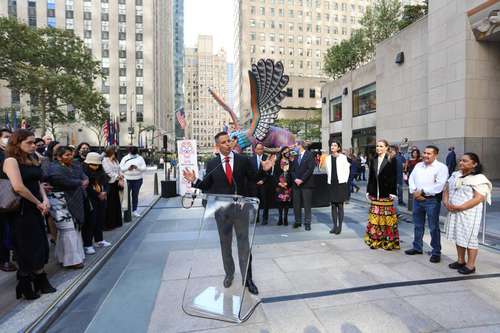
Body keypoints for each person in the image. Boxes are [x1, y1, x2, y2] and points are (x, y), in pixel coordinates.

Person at [183, 131, 275, 295]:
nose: (228, 144)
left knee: (244, 245)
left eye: (229, 141)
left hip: (241, 209)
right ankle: (229, 274)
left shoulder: (243, 160)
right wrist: (194, 180)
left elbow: (254, 179)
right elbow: (206, 185)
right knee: (225, 245)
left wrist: (265, 170)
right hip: (222, 212)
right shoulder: (212, 164)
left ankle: (248, 279)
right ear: (218, 145)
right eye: (224, 142)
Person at [3, 129, 56, 299]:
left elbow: (38, 182)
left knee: (40, 244)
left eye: (34, 142)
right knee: (26, 247)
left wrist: (45, 199)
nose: (34, 145)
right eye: (29, 143)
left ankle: (35, 280)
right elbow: (18, 187)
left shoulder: (32, 158)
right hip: (21, 210)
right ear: (17, 143)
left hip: (36, 207)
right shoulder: (10, 161)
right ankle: (28, 282)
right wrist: (38, 202)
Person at [444, 153, 492, 275]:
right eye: (460, 160)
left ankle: (470, 265)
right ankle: (460, 260)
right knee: (458, 236)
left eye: (465, 161)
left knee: (469, 238)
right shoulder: (456, 175)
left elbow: (479, 198)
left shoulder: (479, 179)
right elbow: (446, 188)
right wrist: (446, 202)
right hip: (454, 211)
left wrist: (461, 207)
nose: (461, 163)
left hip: (469, 213)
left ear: (474, 164)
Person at [405, 145, 449, 263]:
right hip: (417, 200)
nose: (425, 155)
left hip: (432, 201)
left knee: (433, 227)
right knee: (418, 225)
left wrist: (422, 192)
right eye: (424, 152)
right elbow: (411, 178)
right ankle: (417, 247)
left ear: (435, 155)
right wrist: (414, 191)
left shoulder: (441, 167)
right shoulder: (419, 165)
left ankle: (436, 252)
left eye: (429, 153)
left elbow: (439, 185)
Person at [47, 146, 86, 268]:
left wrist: (82, 180)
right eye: (66, 155)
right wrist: (80, 182)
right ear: (58, 157)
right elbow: (64, 181)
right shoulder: (54, 169)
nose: (70, 157)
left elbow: (84, 176)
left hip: (75, 200)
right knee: (67, 230)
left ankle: (63, 256)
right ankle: (72, 261)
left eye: (71, 154)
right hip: (59, 202)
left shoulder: (75, 165)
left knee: (74, 229)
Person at [364, 139, 400, 250]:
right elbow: (371, 176)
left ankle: (388, 242)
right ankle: (375, 240)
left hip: (386, 194)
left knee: (386, 219)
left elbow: (394, 177)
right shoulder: (373, 159)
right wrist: (368, 191)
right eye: (377, 146)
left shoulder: (391, 159)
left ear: (386, 147)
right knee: (375, 220)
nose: (378, 148)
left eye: (381, 146)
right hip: (375, 194)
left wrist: (393, 192)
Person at [83, 152, 112, 253]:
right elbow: (86, 188)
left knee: (100, 219)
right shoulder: (84, 173)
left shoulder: (101, 172)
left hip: (102, 199)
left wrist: (105, 192)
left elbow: (107, 183)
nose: (95, 167)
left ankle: (99, 240)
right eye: (92, 165)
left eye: (97, 165)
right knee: (91, 221)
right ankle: (88, 244)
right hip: (91, 199)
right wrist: (97, 194)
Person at [324, 141, 350, 234]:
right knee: (333, 206)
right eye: (332, 145)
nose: (332, 147)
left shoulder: (343, 158)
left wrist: (344, 181)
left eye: (335, 145)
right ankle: (334, 226)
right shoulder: (327, 158)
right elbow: (327, 170)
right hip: (332, 183)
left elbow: (347, 170)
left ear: (338, 148)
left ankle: (340, 227)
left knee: (340, 205)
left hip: (341, 184)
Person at [0, 128, 16, 272]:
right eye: (5, 137)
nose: (8, 139)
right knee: (4, 229)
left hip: (13, 195)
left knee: (11, 228)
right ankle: (4, 260)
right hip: (3, 195)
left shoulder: (12, 153)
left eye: (10, 137)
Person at [291, 141, 316, 231]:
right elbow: (292, 170)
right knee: (296, 204)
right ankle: (297, 221)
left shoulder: (309, 155)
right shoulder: (295, 156)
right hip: (296, 184)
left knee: (307, 204)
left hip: (306, 184)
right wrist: (295, 179)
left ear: (300, 146)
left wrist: (301, 179)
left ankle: (307, 222)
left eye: (295, 145)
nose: (294, 147)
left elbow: (310, 169)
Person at [120, 146, 147, 217]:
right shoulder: (125, 158)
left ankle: (134, 210)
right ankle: (124, 211)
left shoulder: (140, 158)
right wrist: (127, 168)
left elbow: (144, 168)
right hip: (127, 179)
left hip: (138, 179)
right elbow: (121, 168)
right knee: (125, 196)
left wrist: (137, 168)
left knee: (135, 195)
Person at [102, 146, 124, 230]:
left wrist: (121, 175)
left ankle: (116, 222)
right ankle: (109, 224)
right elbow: (108, 172)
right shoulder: (105, 160)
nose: (117, 152)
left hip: (116, 184)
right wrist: (118, 177)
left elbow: (119, 169)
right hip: (109, 184)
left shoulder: (116, 160)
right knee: (110, 204)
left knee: (116, 203)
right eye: (115, 150)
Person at [251, 143, 271, 225]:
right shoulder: (251, 159)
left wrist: (263, 180)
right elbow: (249, 172)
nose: (260, 150)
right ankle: (256, 218)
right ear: (255, 150)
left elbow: (269, 172)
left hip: (264, 184)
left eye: (261, 149)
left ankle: (265, 219)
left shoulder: (267, 158)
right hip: (254, 184)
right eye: (258, 149)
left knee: (265, 202)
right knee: (255, 202)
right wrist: (254, 180)